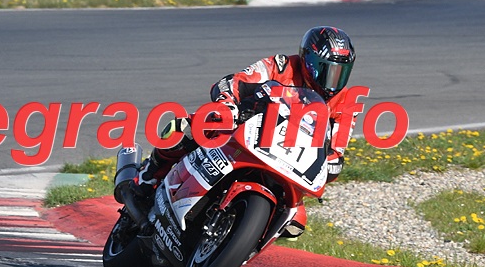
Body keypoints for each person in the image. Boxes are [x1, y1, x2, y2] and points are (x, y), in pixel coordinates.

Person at [134, 27, 358, 201]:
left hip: (289, 158)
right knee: (184, 128)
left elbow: (337, 151)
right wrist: (229, 105)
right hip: (250, 127)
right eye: (326, 69)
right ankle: (149, 174)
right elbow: (233, 82)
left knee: (295, 225)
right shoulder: (281, 66)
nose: (332, 80)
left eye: (341, 72)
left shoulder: (346, 102)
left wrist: (330, 162)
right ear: (308, 60)